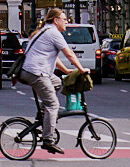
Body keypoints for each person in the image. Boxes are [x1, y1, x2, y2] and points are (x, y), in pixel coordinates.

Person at [17, 8, 88, 156]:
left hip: (33, 71)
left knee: (57, 82)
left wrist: (66, 71)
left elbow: (54, 58)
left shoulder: (45, 31)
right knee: (53, 104)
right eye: (64, 19)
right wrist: (81, 69)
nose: (67, 22)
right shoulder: (54, 33)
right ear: (56, 20)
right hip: (35, 73)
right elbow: (68, 53)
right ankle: (48, 140)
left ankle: (42, 116)